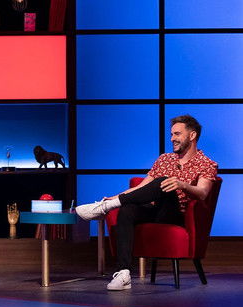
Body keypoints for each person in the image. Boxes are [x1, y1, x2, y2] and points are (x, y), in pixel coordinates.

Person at [75, 115, 217, 291]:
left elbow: (203, 193)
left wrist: (182, 185)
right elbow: (141, 187)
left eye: (177, 134)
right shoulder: (164, 159)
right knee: (127, 209)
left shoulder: (206, 164)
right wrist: (115, 197)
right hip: (156, 210)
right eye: (171, 134)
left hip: (178, 214)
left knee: (163, 181)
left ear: (192, 135)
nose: (172, 138)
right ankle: (123, 273)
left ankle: (105, 208)